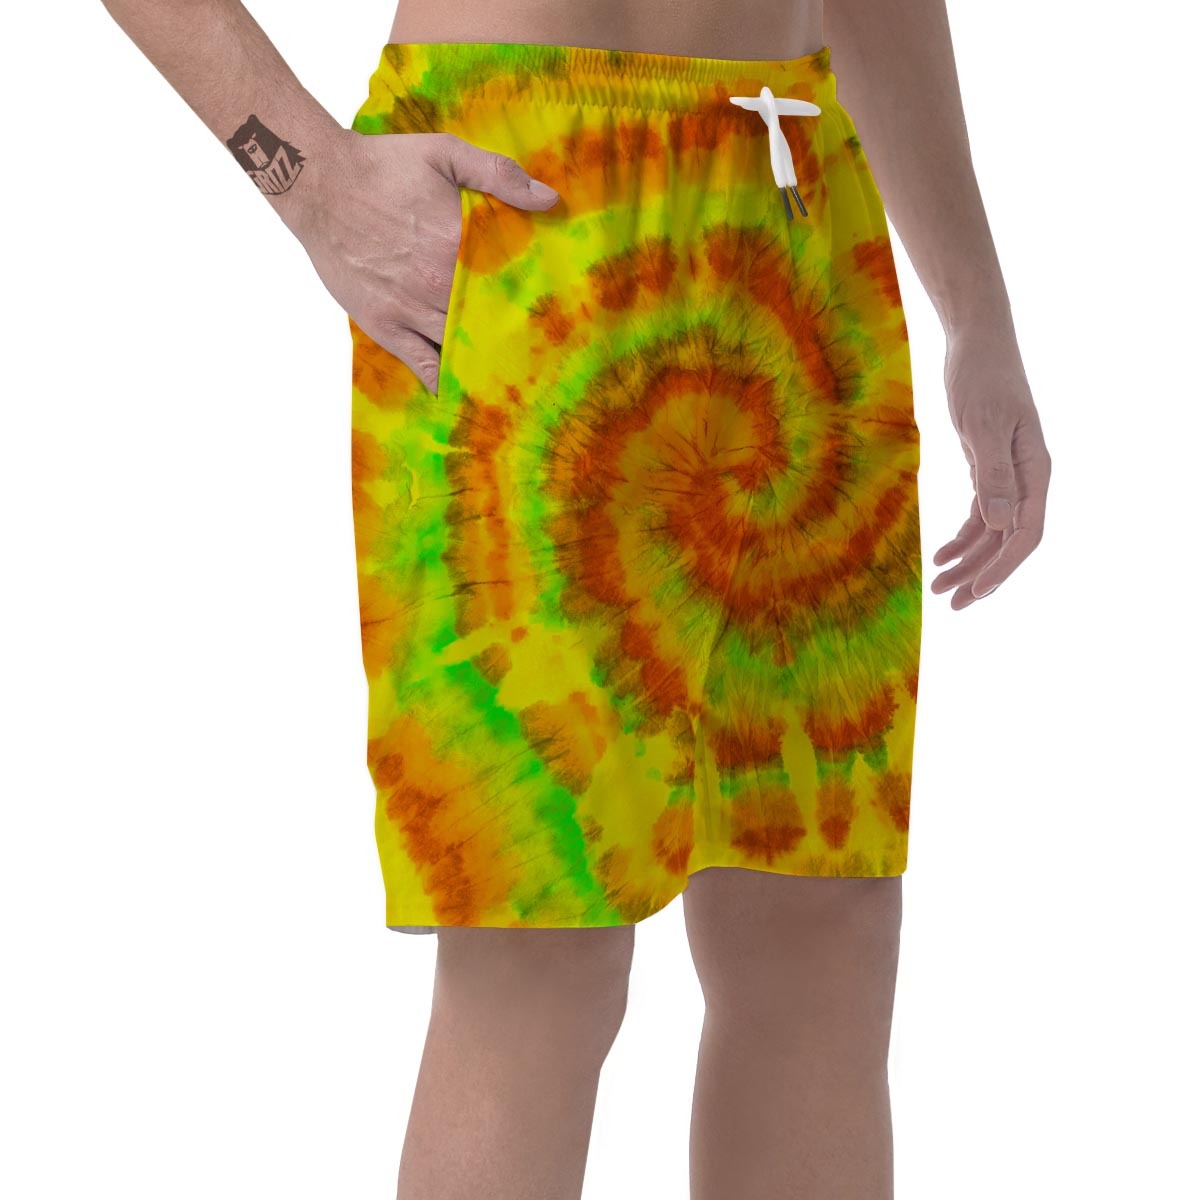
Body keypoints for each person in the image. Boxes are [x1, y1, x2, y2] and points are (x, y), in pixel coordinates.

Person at [98, 1, 1051, 1197]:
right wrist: (309, 177)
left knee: (823, 920)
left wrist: (976, 310)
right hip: (525, 200)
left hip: (796, 196)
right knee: (540, 950)